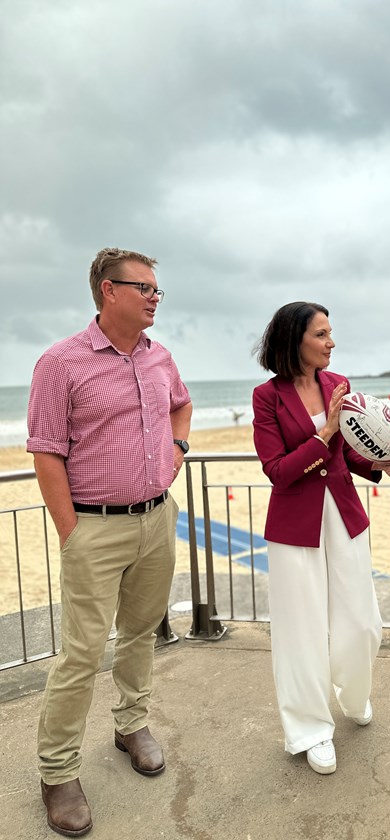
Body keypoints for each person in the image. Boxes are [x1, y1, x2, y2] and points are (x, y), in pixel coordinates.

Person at [27, 247, 192, 835]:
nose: (154, 297)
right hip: (93, 527)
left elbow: (182, 405)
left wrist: (178, 450)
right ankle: (58, 770)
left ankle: (131, 725)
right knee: (80, 653)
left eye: (157, 289)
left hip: (155, 520)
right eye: (144, 287)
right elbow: (45, 452)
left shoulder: (160, 357)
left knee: (142, 634)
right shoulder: (60, 363)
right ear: (107, 291)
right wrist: (72, 533)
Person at [252, 301, 390, 774]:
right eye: (321, 334)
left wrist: (378, 463)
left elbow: (350, 451)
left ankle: (354, 692)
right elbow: (278, 471)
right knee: (299, 629)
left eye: (330, 332)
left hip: (343, 514)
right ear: (294, 339)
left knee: (362, 620)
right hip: (293, 524)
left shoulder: (338, 385)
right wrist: (322, 433)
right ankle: (310, 730)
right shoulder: (267, 397)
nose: (331, 342)